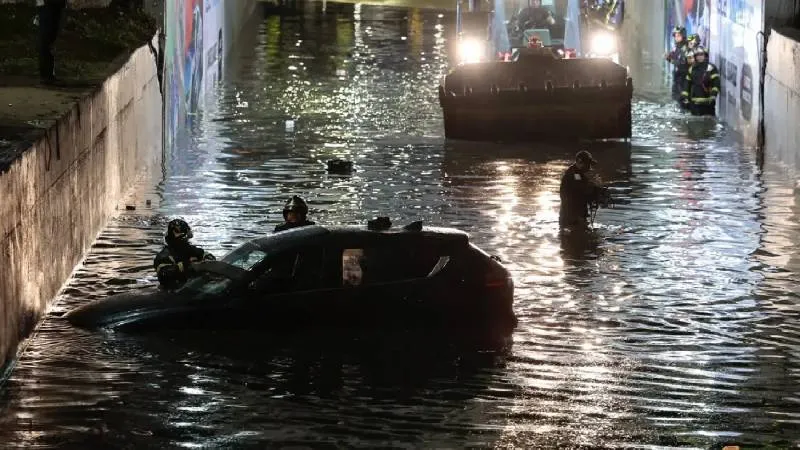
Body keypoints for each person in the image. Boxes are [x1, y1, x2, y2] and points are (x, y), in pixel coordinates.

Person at [153, 219, 216, 290]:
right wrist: (189, 265)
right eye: (185, 239)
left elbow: (207, 255)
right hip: (173, 293)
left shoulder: (189, 249)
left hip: (193, 287)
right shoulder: (164, 255)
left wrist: (206, 261)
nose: (187, 241)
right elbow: (164, 274)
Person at [559, 150, 608, 230]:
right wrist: (594, 184)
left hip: (579, 214)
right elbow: (581, 189)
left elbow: (586, 194)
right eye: (587, 165)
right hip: (571, 216)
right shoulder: (573, 174)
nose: (589, 167)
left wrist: (599, 190)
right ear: (579, 162)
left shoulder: (581, 174)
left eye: (589, 165)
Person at [680, 46, 720, 116]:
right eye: (698, 55)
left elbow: (716, 83)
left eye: (701, 54)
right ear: (695, 57)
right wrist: (684, 97)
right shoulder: (692, 69)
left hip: (708, 103)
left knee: (709, 123)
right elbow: (687, 84)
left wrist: (713, 95)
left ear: (705, 55)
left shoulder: (711, 68)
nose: (700, 57)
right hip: (694, 103)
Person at [35, 0, 67, 85]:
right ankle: (46, 75)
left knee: (48, 39)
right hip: (48, 5)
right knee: (46, 40)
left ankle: (47, 75)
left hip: (51, 5)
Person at [665, 26, 689, 104]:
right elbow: (673, 54)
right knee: (675, 96)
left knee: (681, 98)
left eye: (678, 35)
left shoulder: (685, 48)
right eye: (675, 36)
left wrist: (670, 60)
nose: (676, 37)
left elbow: (682, 62)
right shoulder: (677, 46)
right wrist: (669, 55)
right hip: (677, 76)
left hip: (683, 76)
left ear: (683, 36)